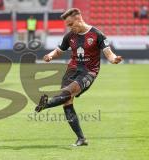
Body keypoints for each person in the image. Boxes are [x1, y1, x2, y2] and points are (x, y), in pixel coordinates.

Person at [35, 8, 123, 146]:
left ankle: (46, 104)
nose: (69, 28)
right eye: (68, 26)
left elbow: (109, 53)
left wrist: (114, 59)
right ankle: (81, 139)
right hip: (72, 70)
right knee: (67, 101)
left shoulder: (97, 34)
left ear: (78, 19)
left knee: (69, 92)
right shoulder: (70, 36)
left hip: (89, 72)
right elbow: (59, 50)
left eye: (71, 25)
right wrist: (50, 55)